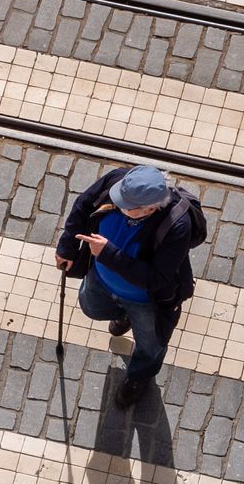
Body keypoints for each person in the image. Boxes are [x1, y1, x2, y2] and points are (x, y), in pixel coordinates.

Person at [55, 165, 207, 408]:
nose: (118, 205)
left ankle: (138, 377)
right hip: (102, 279)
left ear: (150, 208)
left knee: (150, 347)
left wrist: (107, 254)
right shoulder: (120, 181)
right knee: (91, 307)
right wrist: (67, 246)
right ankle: (124, 314)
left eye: (127, 206)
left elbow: (157, 279)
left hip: (145, 301)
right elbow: (84, 204)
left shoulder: (177, 226)